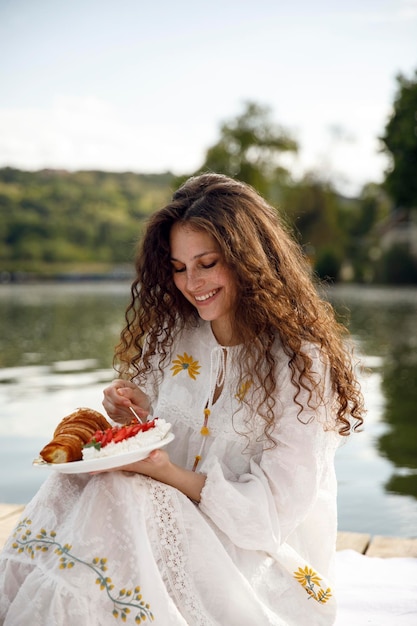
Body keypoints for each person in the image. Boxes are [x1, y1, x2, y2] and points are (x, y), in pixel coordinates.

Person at [0, 173, 364, 625]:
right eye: (178, 267)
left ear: (248, 259)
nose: (191, 283)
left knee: (119, 494)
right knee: (71, 481)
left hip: (254, 553)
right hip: (166, 512)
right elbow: (173, 432)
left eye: (207, 263)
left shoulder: (299, 363)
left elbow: (272, 514)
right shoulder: (176, 333)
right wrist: (136, 410)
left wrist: (167, 473)